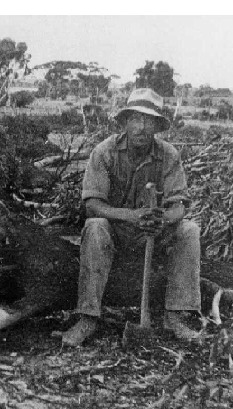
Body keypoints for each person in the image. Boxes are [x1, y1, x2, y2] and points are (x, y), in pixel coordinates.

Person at [62, 88, 201, 346]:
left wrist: (163, 219)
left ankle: (175, 315)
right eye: (135, 119)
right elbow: (93, 205)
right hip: (116, 233)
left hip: (152, 234)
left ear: (157, 127)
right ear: (125, 122)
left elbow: (180, 206)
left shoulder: (168, 155)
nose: (141, 127)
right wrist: (131, 216)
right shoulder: (105, 152)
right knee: (94, 226)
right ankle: (88, 317)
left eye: (149, 121)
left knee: (189, 230)